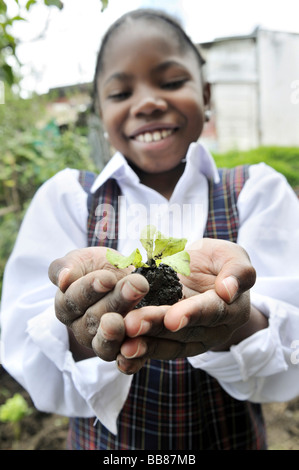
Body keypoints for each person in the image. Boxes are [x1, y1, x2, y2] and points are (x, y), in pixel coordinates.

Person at [1, 8, 299, 450]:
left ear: (207, 92)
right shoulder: (66, 197)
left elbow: (289, 344)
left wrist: (237, 320)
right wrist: (84, 330)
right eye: (121, 91)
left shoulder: (256, 191)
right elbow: (26, 342)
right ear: (100, 110)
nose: (147, 102)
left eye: (172, 82)